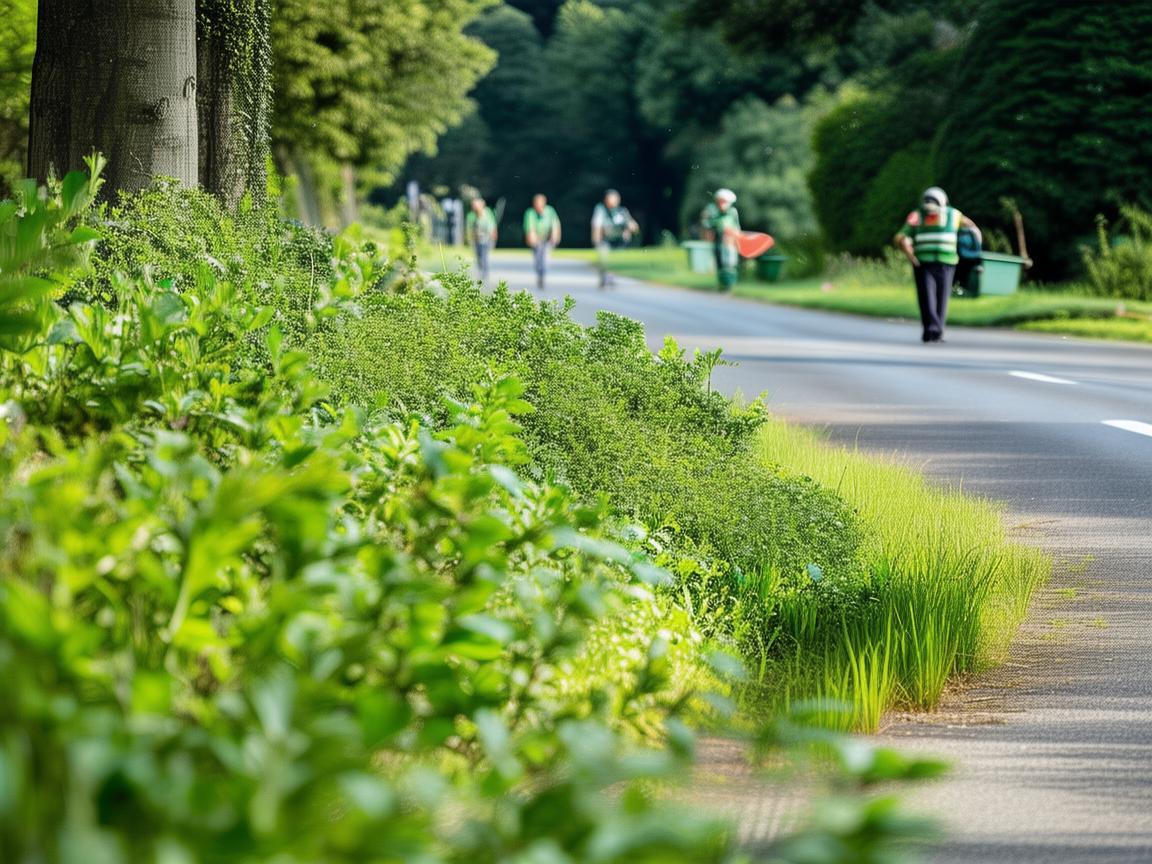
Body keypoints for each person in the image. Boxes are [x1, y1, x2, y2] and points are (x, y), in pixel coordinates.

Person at [895, 186, 982, 342]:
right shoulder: (954, 214)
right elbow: (972, 228)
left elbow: (901, 237)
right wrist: (974, 246)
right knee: (940, 297)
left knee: (928, 297)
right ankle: (935, 330)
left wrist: (910, 255)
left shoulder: (917, 215)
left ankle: (932, 330)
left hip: (927, 262)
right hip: (942, 262)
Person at [591, 189, 639, 288]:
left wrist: (631, 228)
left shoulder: (622, 211)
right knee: (604, 259)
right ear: (606, 199)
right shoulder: (601, 209)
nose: (613, 201)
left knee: (614, 260)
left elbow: (631, 224)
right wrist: (596, 239)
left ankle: (610, 277)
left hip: (619, 241)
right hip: (605, 239)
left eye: (615, 199)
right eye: (611, 198)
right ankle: (604, 278)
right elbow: (596, 225)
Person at [701, 188, 740, 290]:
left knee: (730, 262)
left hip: (730, 241)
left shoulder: (732, 212)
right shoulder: (713, 211)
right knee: (720, 262)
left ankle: (729, 284)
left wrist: (734, 235)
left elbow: (737, 227)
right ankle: (722, 284)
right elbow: (707, 224)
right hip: (718, 239)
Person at [523, 193, 562, 290]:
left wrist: (555, 237)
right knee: (537, 259)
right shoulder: (530, 213)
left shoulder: (550, 211)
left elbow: (555, 225)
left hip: (547, 238)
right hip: (536, 238)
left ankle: (543, 276)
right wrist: (533, 240)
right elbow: (530, 229)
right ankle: (539, 273)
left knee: (545, 258)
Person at [466, 196, 498, 284]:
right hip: (477, 240)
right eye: (474, 205)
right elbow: (469, 230)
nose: (475, 207)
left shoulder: (487, 213)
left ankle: (485, 273)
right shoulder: (471, 216)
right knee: (479, 257)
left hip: (487, 239)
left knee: (484, 256)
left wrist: (493, 237)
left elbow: (492, 226)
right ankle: (481, 269)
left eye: (477, 205)